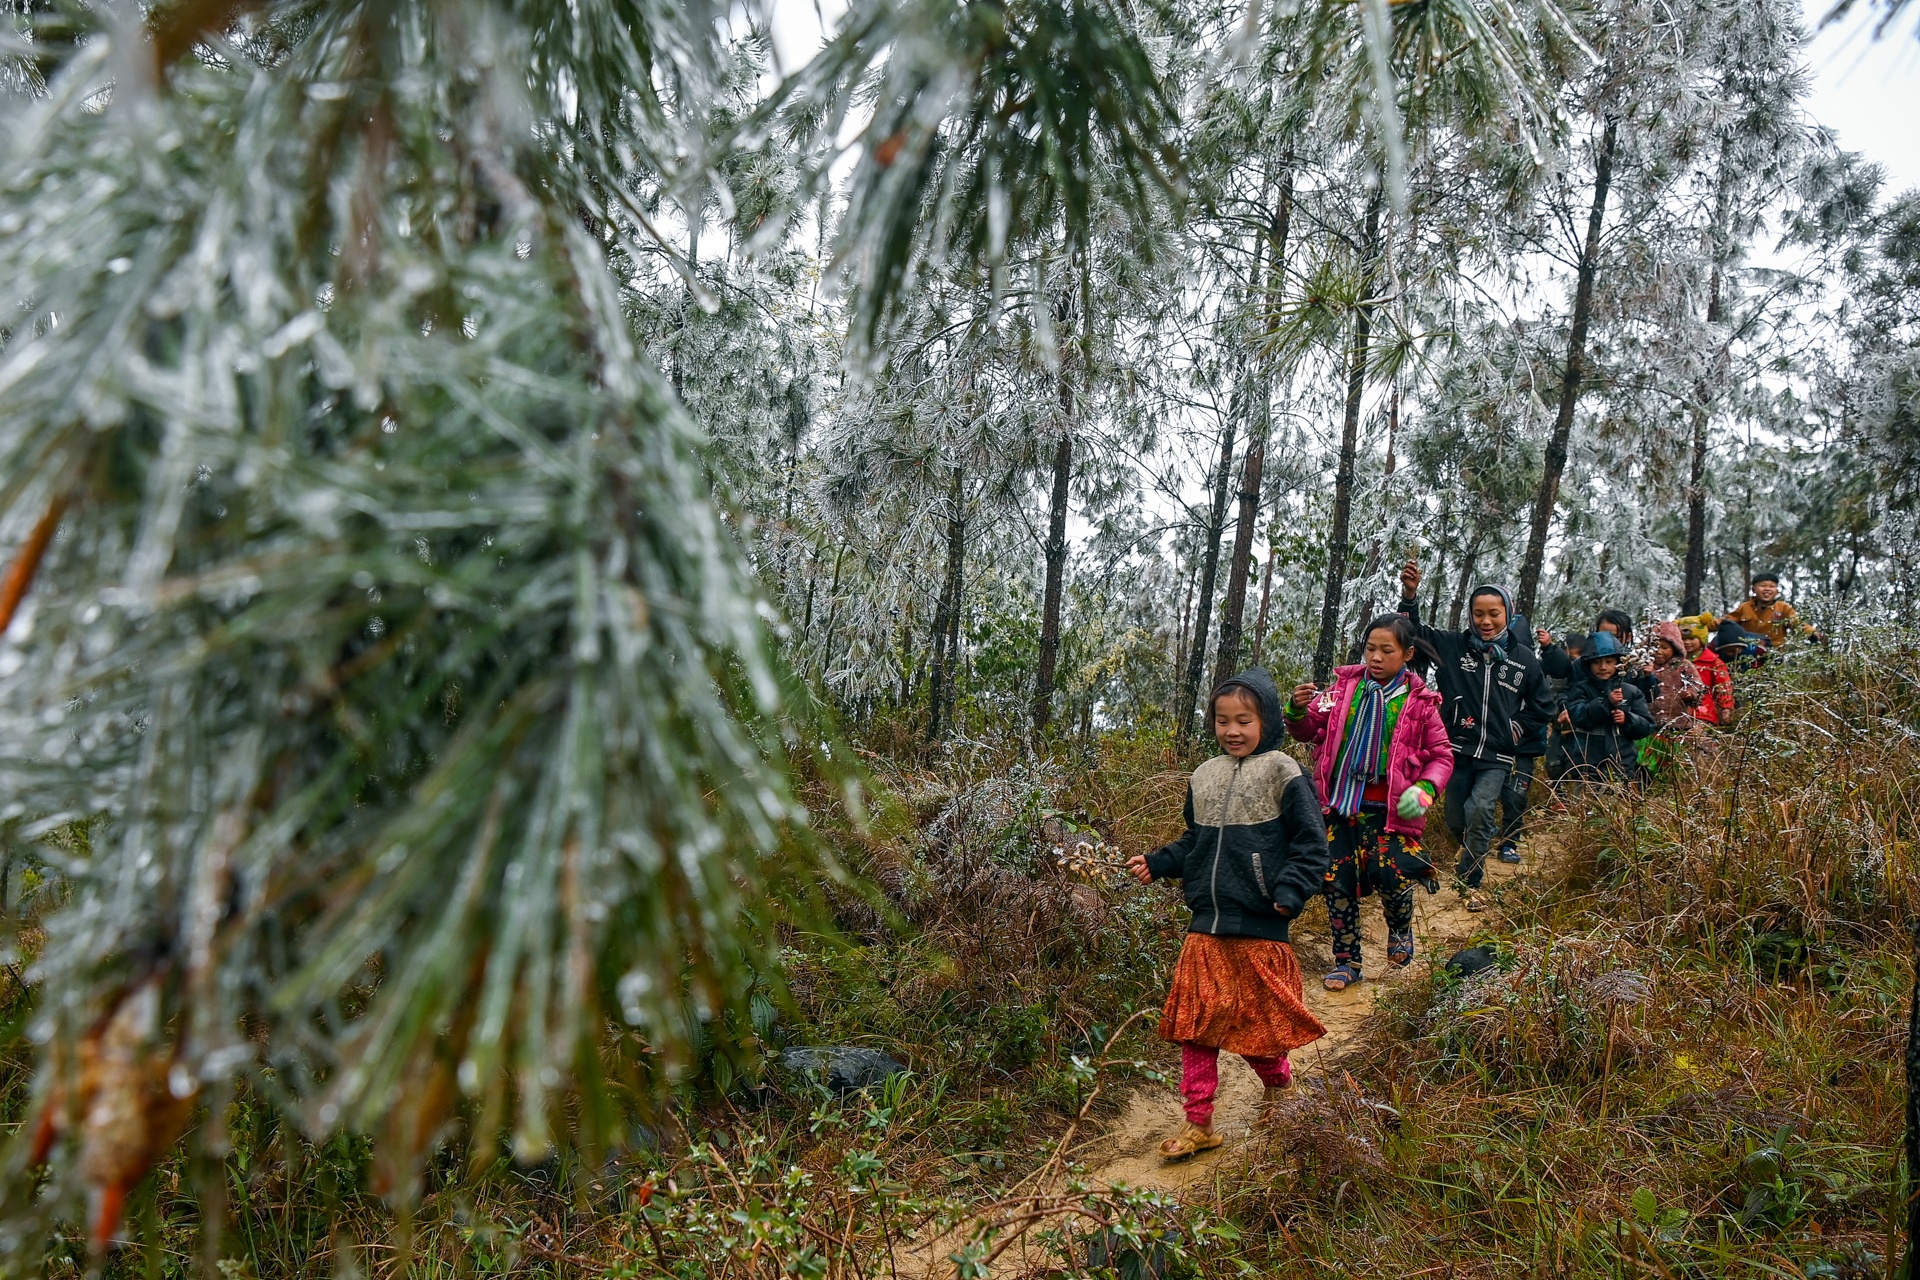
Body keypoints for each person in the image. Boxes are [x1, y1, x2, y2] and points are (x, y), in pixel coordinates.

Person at [1126, 669, 1329, 1161]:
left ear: (1268, 720)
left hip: (1261, 925)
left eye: (1244, 720)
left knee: (1257, 1028)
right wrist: (1159, 863)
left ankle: (1279, 1088)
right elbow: (1196, 841)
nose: (1232, 730)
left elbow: (1311, 845)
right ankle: (1199, 1122)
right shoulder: (1205, 775)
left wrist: (1289, 891)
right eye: (1222, 721)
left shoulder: (1284, 771)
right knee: (1197, 1026)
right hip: (1206, 928)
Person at [1285, 615, 1453, 992]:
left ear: (1407, 654)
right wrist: (1296, 711)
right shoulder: (1343, 689)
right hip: (1339, 805)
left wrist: (1425, 789)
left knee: (1391, 874)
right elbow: (1310, 729)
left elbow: (1441, 755)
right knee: (1335, 880)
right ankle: (1347, 961)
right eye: (1370, 649)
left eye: (1386, 650)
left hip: (1390, 808)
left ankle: (1399, 929)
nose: (1375, 657)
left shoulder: (1420, 702)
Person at [1394, 562, 1553, 912]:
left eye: (1493, 614)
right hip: (1456, 749)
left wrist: (1516, 727)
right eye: (1478, 613)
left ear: (1507, 615)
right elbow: (1411, 632)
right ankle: (1470, 846)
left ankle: (1471, 877)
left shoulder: (1523, 659)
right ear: (1470, 615)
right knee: (1455, 817)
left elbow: (1544, 705)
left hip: (1497, 754)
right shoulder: (1453, 646)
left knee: (1480, 808)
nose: (1485, 621)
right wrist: (1410, 595)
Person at [1560, 631, 1655, 783]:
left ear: (1619, 662)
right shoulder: (1581, 689)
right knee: (1584, 803)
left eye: (1609, 662)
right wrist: (1605, 702)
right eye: (1596, 662)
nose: (1603, 667)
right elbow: (1578, 715)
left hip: (1622, 765)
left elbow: (1647, 726)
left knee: (1620, 804)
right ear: (1587, 664)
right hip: (1585, 765)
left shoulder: (1631, 691)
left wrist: (1627, 720)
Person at [1497, 614, 1549, 865]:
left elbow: (1543, 708)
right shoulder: (1490, 668)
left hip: (1524, 750)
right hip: (1492, 747)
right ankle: (1478, 840)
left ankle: (1509, 843)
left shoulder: (1534, 670)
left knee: (1516, 797)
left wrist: (1519, 728)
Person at [1539, 630, 1587, 785]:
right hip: (1558, 729)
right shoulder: (1554, 678)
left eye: (1574, 659)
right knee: (1553, 764)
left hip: (1579, 732)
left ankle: (1572, 802)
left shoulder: (1584, 680)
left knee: (1576, 767)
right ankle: (1559, 798)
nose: (1570, 664)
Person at [1727, 572, 1823, 648]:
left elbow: (1797, 624)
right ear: (1754, 590)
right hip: (1749, 653)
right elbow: (1727, 621)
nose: (1767, 589)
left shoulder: (1783, 608)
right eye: (1763, 586)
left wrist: (1812, 633)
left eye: (1772, 586)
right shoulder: (1745, 608)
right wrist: (1711, 624)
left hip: (1775, 655)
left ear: (1776, 591)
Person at [1676, 614, 1734, 727]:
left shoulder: (1713, 662)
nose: (1687, 642)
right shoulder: (1674, 662)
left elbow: (1724, 687)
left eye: (1692, 638)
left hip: (1704, 713)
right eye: (1683, 639)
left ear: (1702, 639)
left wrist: (1726, 708)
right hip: (1676, 713)